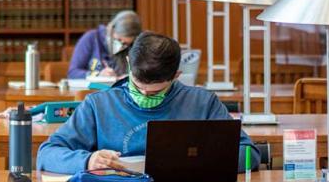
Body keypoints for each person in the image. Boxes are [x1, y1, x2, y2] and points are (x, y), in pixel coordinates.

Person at [37, 32, 259, 174]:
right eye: (137, 85)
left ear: (176, 75)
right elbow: (47, 153)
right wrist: (87, 161)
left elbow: (249, 154)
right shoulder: (98, 105)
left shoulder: (202, 102)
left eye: (155, 92)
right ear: (128, 64)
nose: (143, 94)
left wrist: (197, 162)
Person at [67, 10, 141, 79]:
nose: (121, 46)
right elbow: (73, 73)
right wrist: (98, 74)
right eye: (118, 40)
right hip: (92, 90)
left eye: (126, 44)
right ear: (111, 29)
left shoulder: (136, 45)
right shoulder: (91, 38)